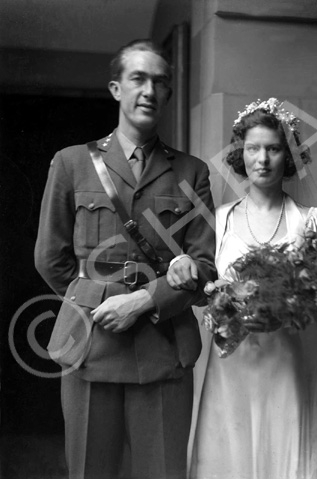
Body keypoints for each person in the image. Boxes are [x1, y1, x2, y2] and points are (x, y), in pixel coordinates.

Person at [34, 39, 216, 479]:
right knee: (89, 470)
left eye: (159, 82)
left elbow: (205, 265)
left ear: (169, 94)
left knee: (163, 470)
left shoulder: (192, 172)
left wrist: (143, 301)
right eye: (138, 78)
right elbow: (50, 257)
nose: (149, 90)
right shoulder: (72, 163)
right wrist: (94, 301)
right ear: (117, 88)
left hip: (165, 349)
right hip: (92, 343)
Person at [167, 98, 317, 479]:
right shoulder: (217, 220)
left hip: (287, 365)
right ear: (241, 154)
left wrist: (287, 306)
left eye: (273, 148)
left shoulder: (311, 221)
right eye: (253, 148)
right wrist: (208, 290)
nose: (263, 159)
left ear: (288, 156)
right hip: (231, 367)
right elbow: (201, 278)